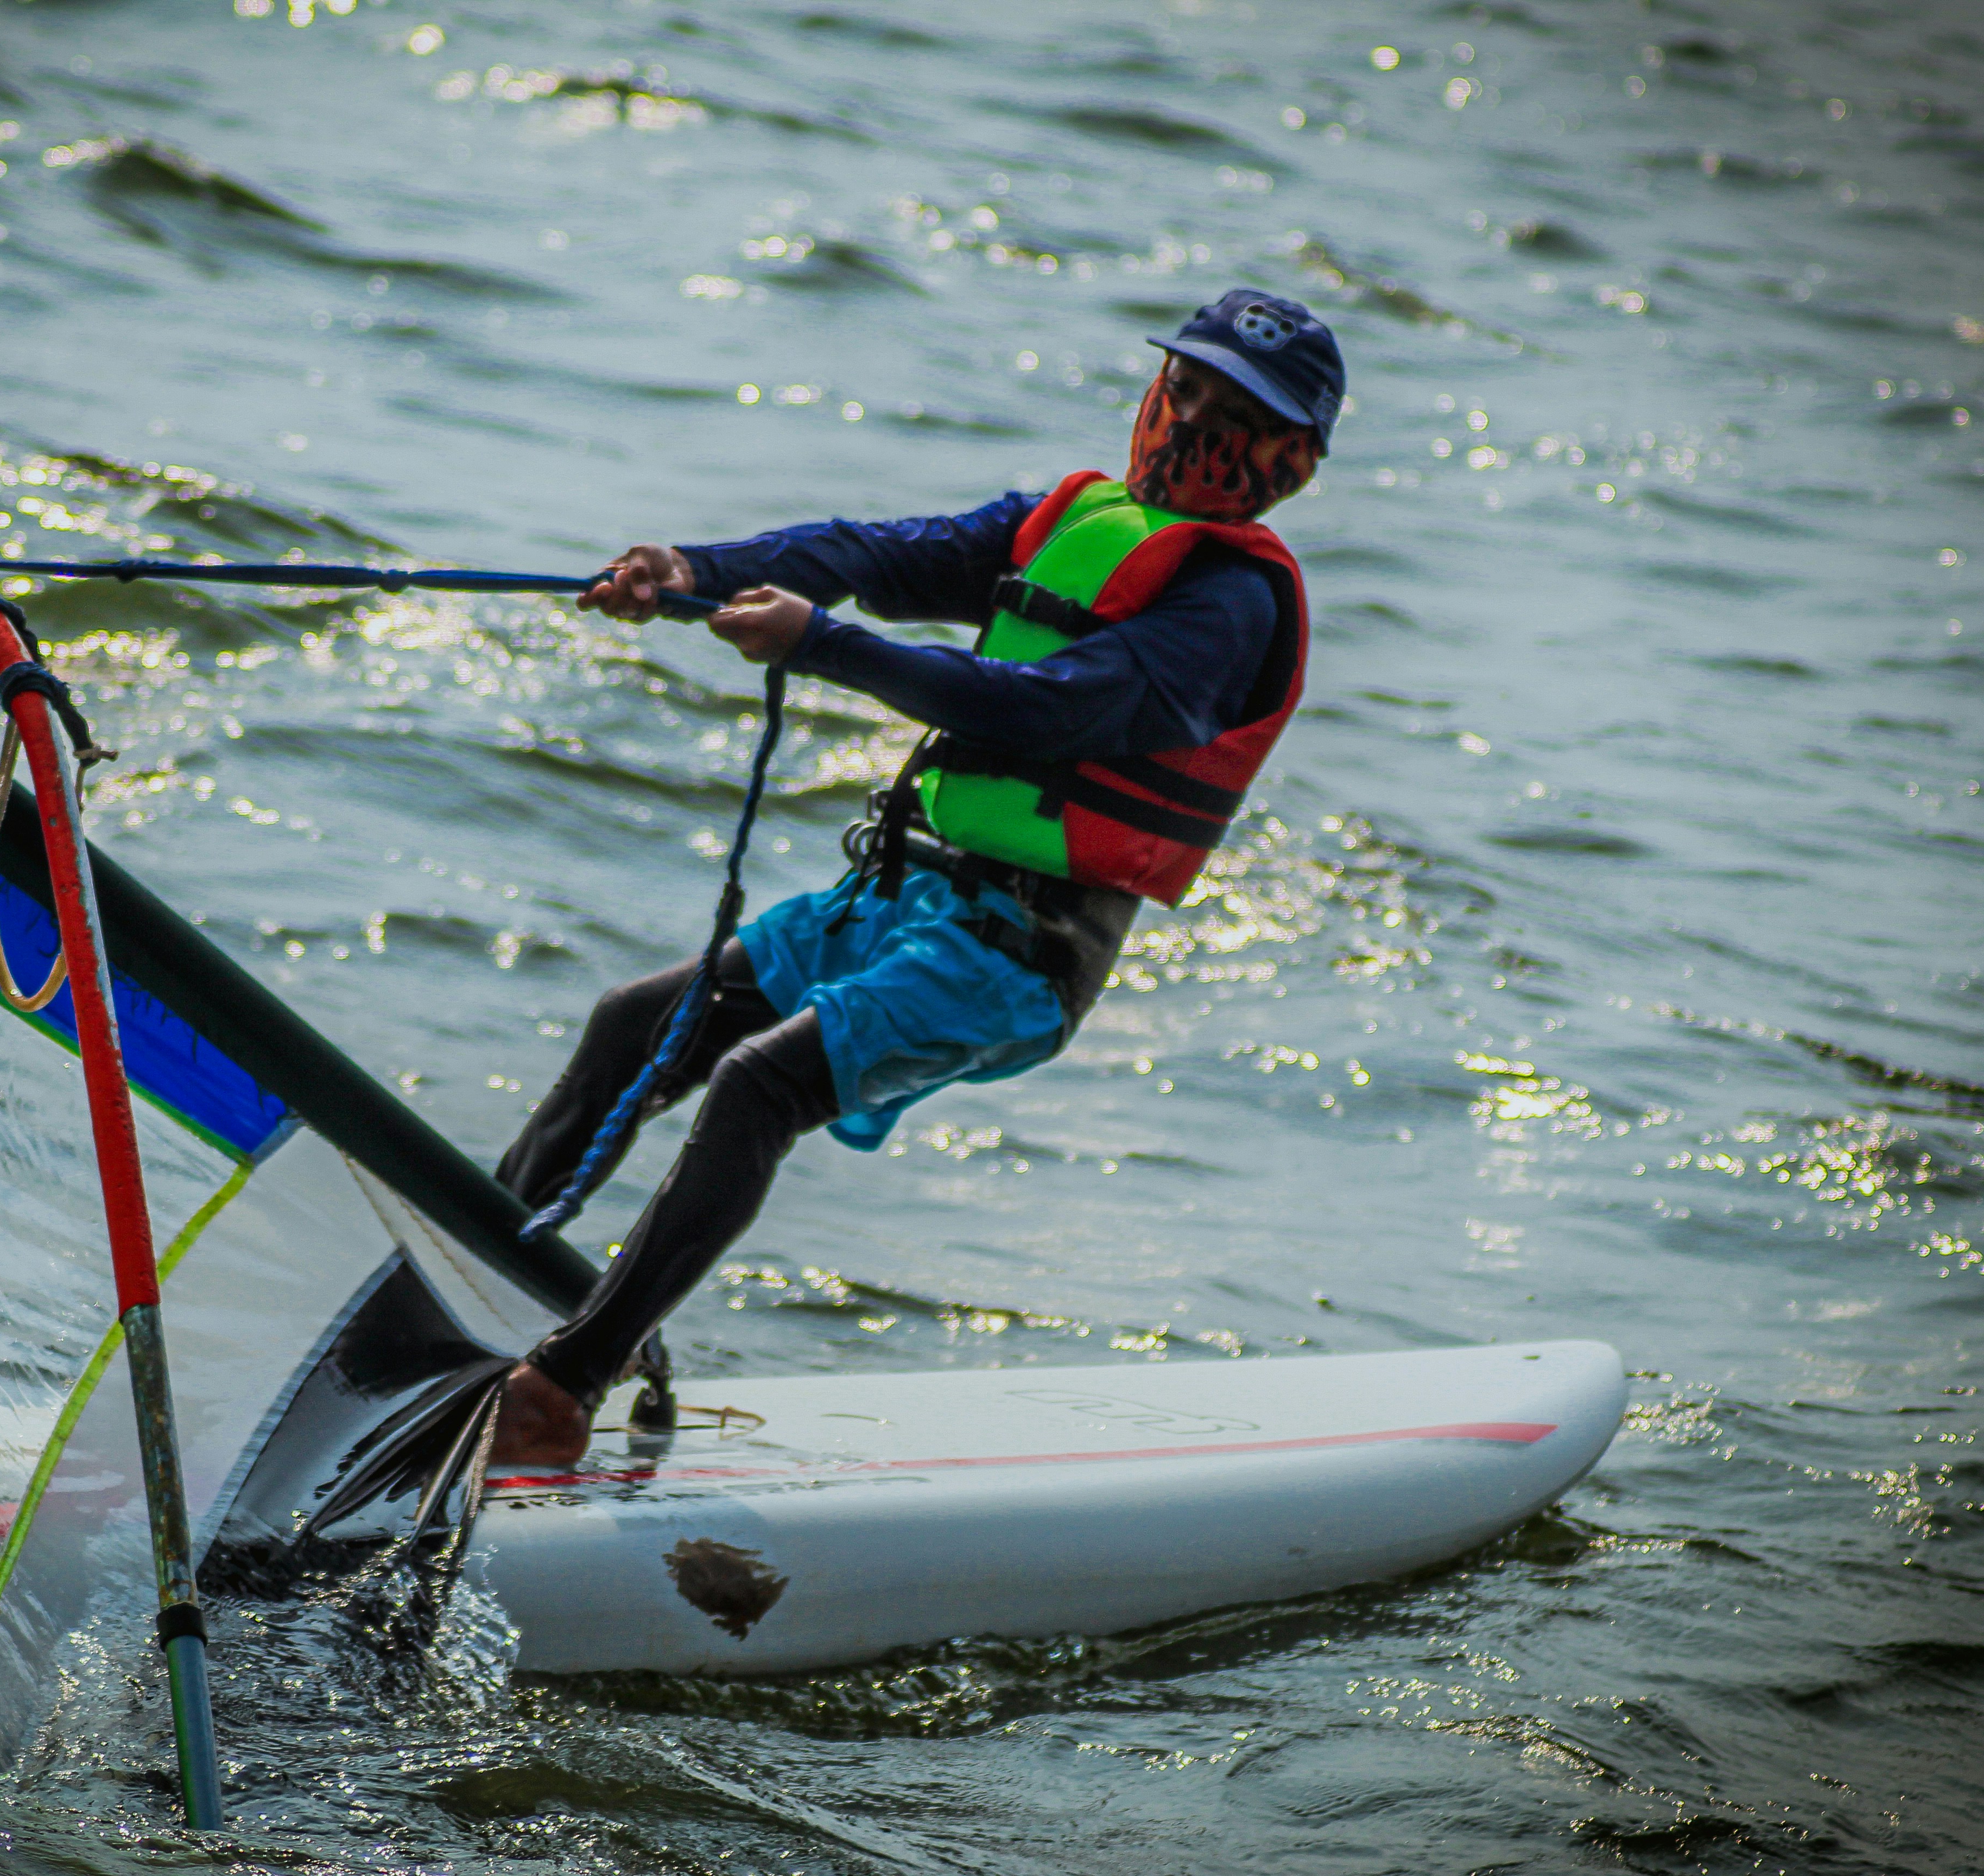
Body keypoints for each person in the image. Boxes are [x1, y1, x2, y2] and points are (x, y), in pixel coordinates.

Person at [488, 290, 1345, 1467]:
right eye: (1182, 387)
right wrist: (691, 570)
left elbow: (1045, 708)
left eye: (1232, 412)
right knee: (636, 1022)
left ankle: (558, 1389)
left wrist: (821, 644)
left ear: (1291, 459)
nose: (1188, 418)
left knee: (755, 1087)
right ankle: (460, 1292)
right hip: (901, 898)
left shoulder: (1232, 604)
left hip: (1019, 957)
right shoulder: (1069, 519)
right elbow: (870, 553)